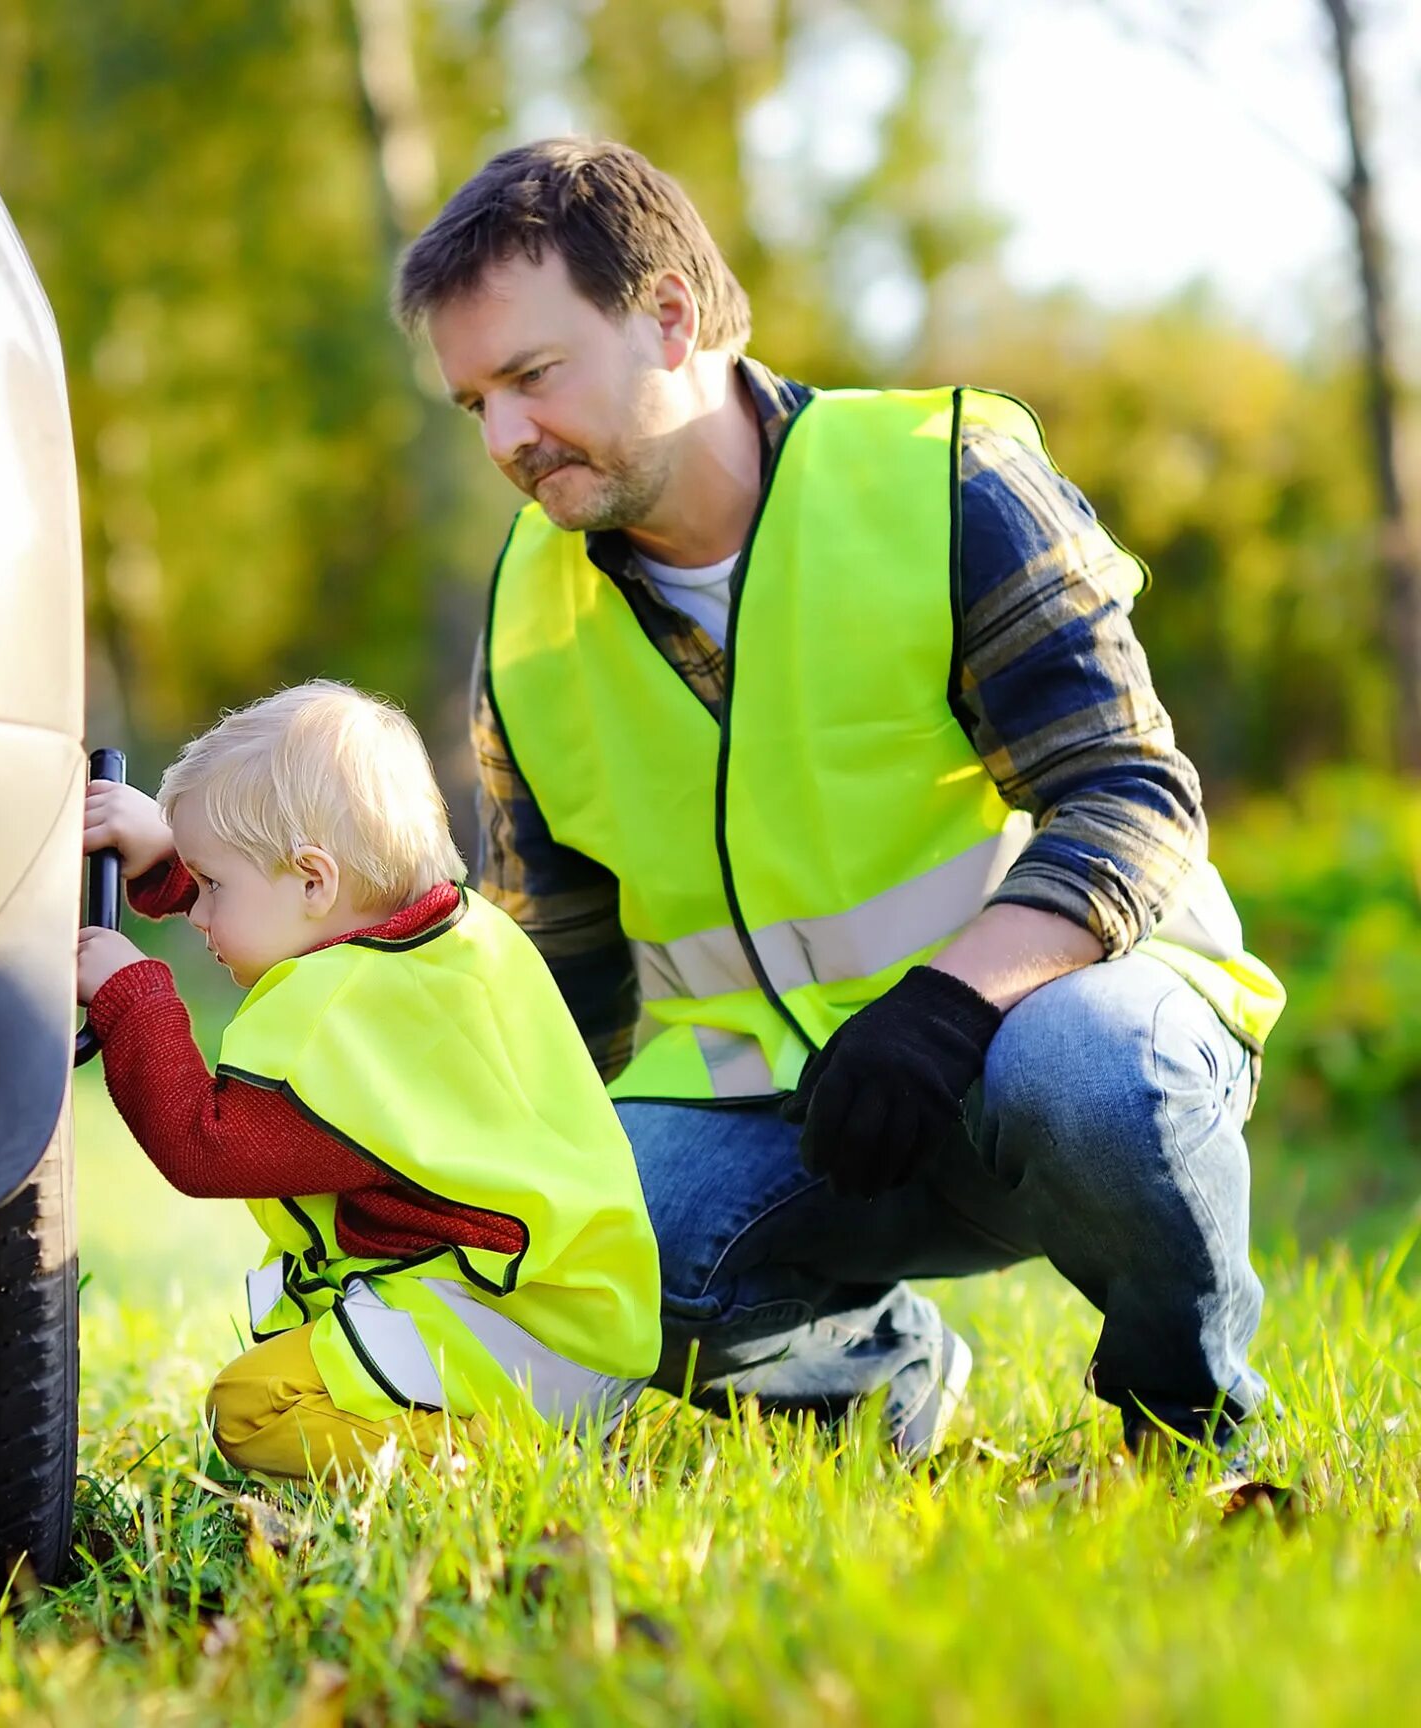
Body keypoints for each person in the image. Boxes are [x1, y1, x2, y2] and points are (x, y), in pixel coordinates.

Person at [395, 137, 1284, 1468]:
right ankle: (884, 1386)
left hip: (1055, 1048)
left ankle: (1194, 1429)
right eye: (477, 406)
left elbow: (1130, 797)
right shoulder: (526, 623)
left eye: (531, 376)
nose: (509, 438)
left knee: (1091, 1078)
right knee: (588, 1237)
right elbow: (556, 991)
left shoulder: (945, 482)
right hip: (796, 1125)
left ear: (670, 317)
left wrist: (944, 1007)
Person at [75, 680, 660, 1480]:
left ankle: (500, 1458)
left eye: (211, 888)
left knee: (251, 1408)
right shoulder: (445, 942)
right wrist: (181, 855)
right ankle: (539, 1426)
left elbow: (205, 1146)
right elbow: (282, 911)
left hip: (519, 1335)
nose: (201, 916)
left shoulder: (342, 1017)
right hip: (572, 1310)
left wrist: (133, 1001)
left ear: (315, 880)